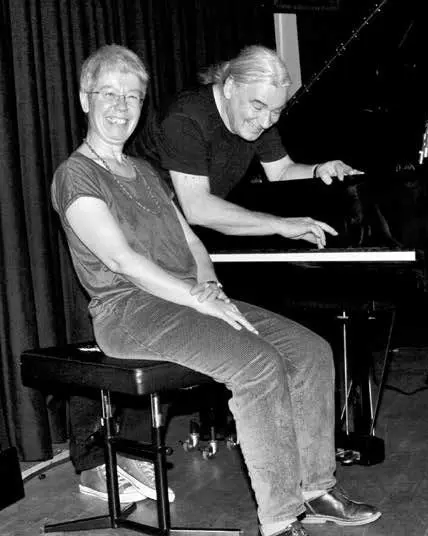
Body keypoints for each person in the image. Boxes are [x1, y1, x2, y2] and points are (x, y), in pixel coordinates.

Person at [53, 44, 381, 536]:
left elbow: (190, 240)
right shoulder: (75, 174)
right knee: (258, 364)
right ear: (85, 99)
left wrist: (210, 287)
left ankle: (315, 489)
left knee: (310, 352)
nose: (122, 107)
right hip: (128, 310)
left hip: (185, 297)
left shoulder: (144, 172)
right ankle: (279, 519)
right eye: (109, 95)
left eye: (133, 97)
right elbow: (123, 261)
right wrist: (196, 299)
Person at [138, 44, 361, 250]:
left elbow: (281, 171)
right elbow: (198, 208)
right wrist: (279, 225)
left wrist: (318, 170)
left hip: (184, 235)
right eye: (257, 106)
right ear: (230, 87)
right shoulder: (184, 118)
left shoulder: (260, 118)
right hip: (142, 232)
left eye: (276, 111)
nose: (265, 122)